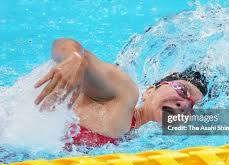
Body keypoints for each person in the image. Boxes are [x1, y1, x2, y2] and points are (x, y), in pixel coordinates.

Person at [34, 38, 208, 150]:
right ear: (150, 90)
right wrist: (74, 58)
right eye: (182, 91)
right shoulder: (124, 94)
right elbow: (64, 44)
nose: (184, 104)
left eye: (192, 108)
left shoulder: (139, 142)